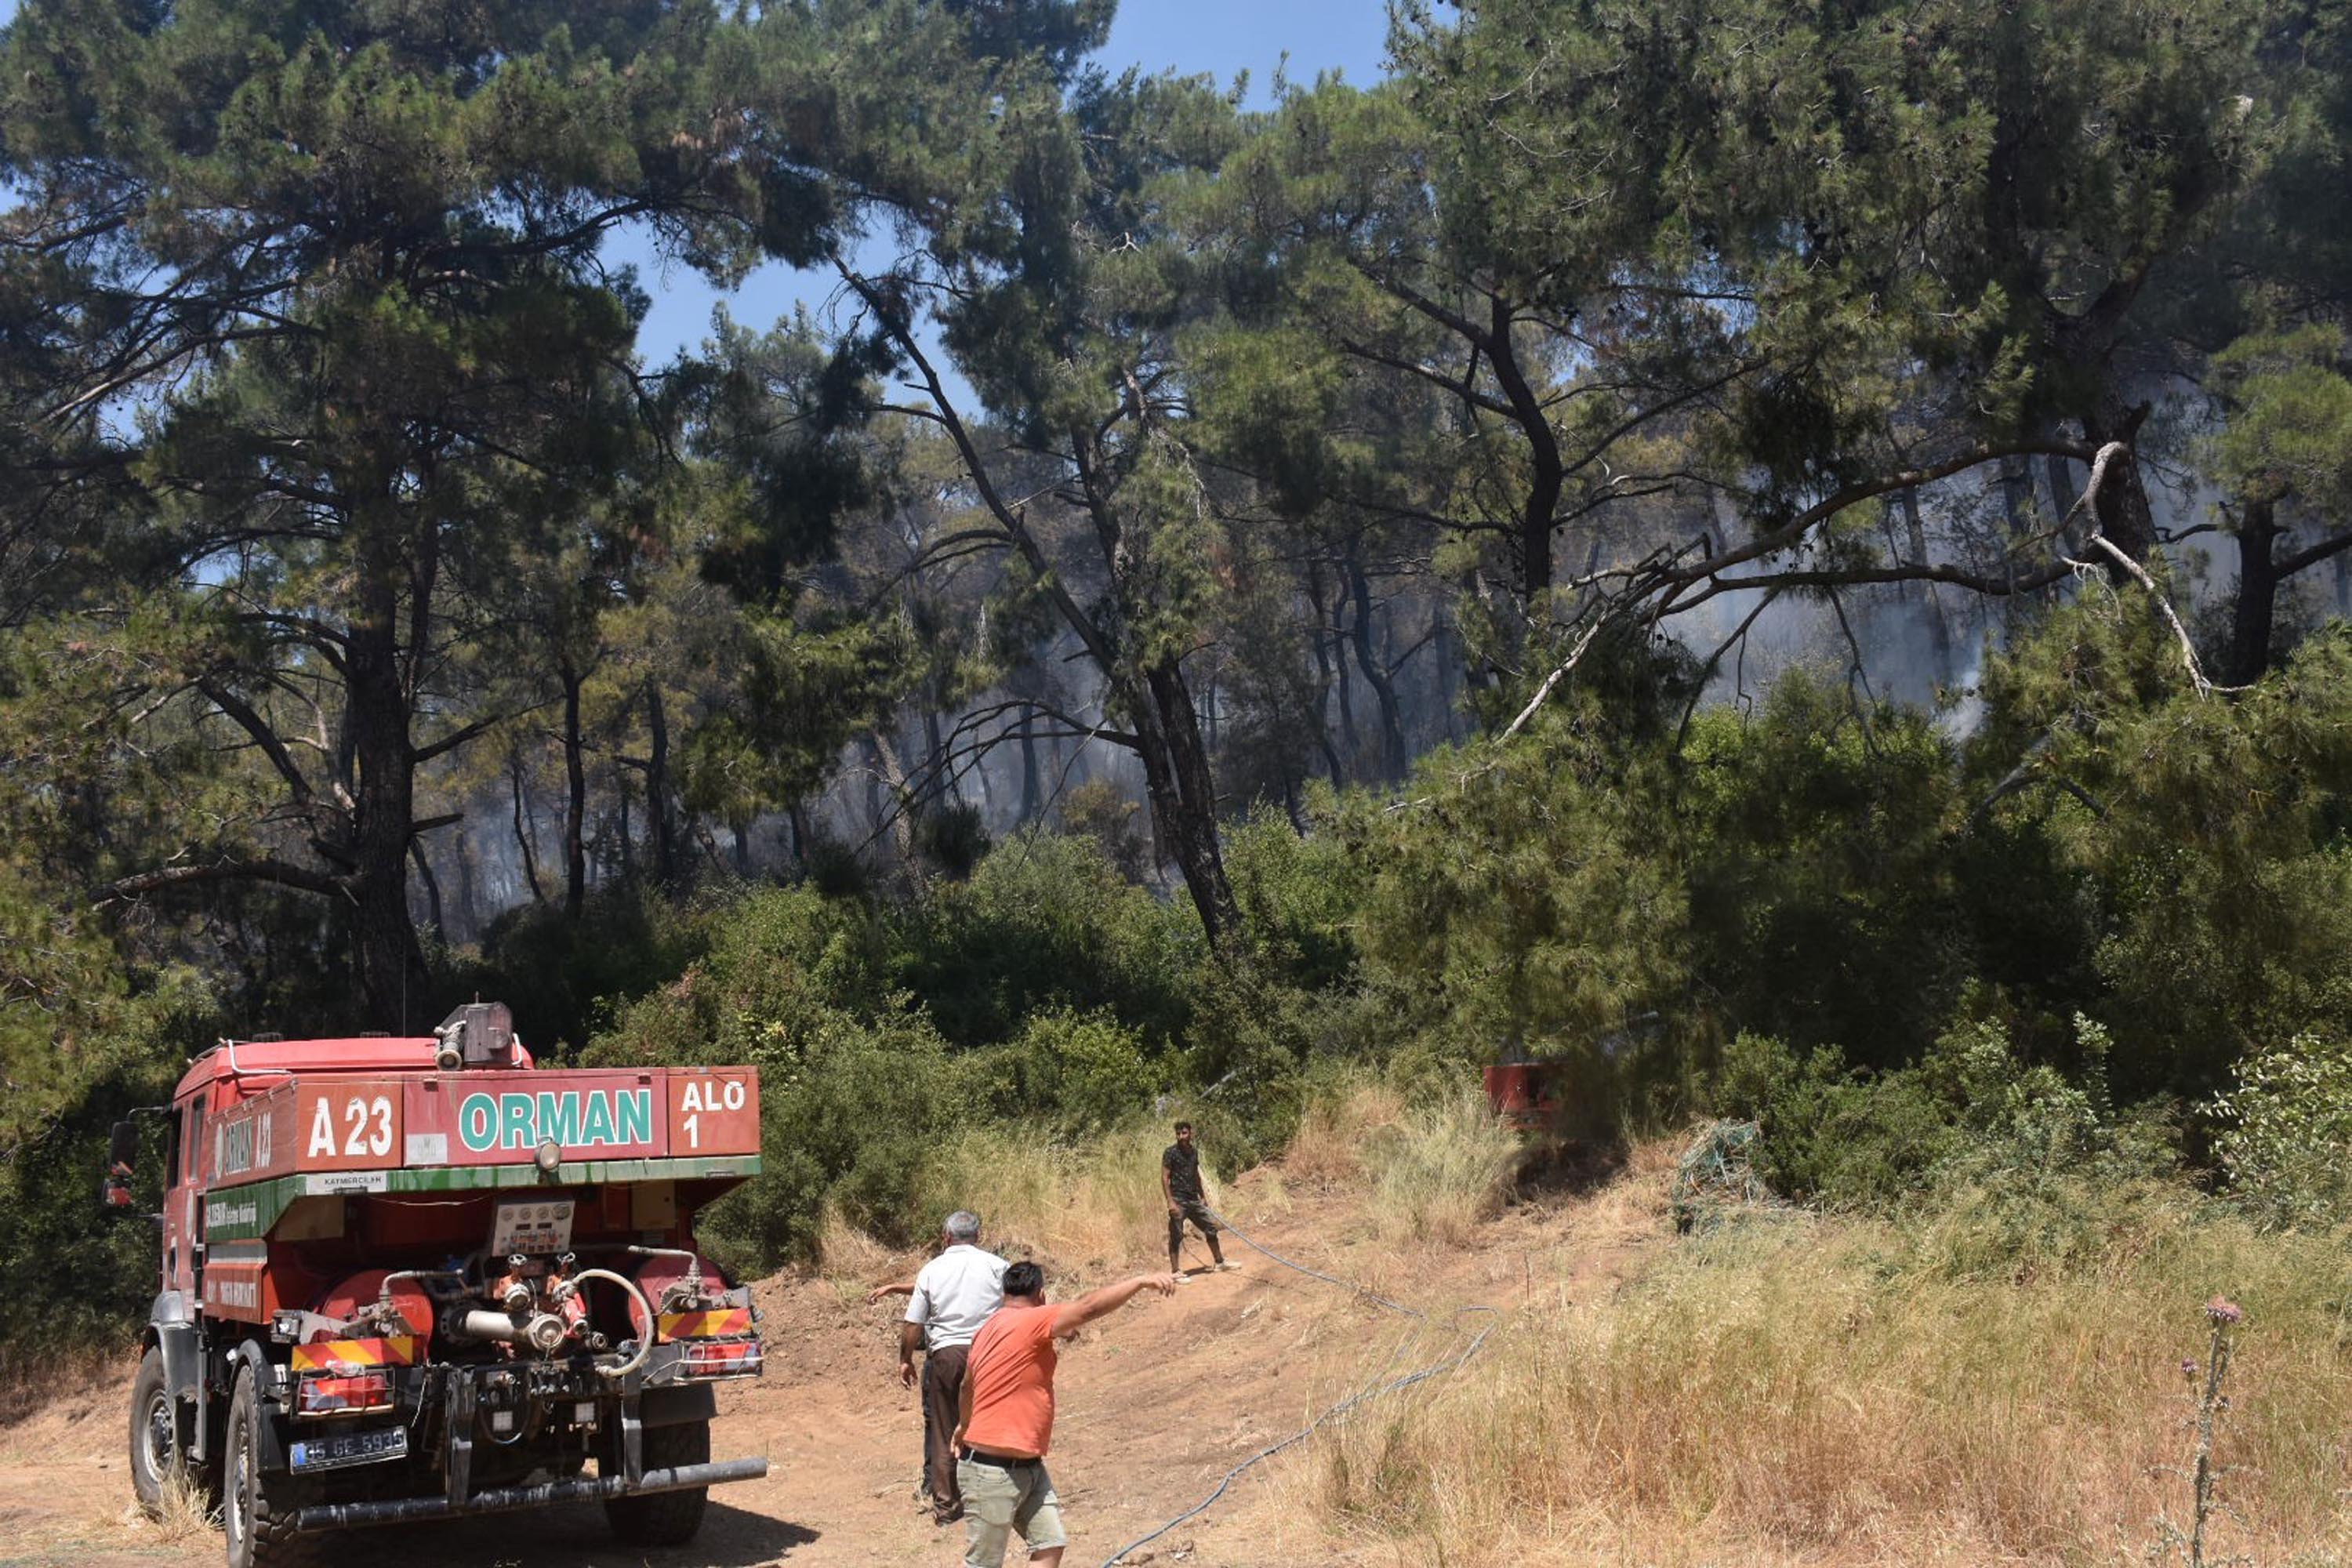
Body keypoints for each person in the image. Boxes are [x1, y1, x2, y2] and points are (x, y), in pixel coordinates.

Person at [951, 1261, 1178, 1568]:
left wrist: (964, 1425)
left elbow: (967, 1386)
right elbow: (1087, 1308)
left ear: (1004, 1293)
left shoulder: (986, 1329)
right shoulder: (1035, 1319)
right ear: (1041, 1295)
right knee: (983, 1564)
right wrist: (1140, 1282)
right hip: (991, 1472)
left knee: (1050, 1545)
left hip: (1028, 1467)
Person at [865, 1210, 1007, 1525]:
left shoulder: (933, 1269)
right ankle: (996, 1500)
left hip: (946, 1355)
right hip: (991, 1353)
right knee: (992, 1423)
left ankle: (947, 1508)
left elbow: (913, 1322)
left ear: (946, 1237)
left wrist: (905, 1360)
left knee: (944, 1431)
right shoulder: (998, 1267)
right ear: (978, 1237)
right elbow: (1021, 1306)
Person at [1160, 1120, 1232, 1276]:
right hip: (1178, 1200)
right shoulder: (1170, 1152)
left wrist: (1203, 1196)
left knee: (1210, 1228)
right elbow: (1165, 1177)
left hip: (1194, 1199)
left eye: (1184, 1133)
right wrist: (1171, 1202)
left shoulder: (1194, 1152)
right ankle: (1175, 1272)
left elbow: (1196, 1175)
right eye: (1178, 1134)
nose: (1181, 1136)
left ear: (1191, 1133)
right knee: (1176, 1235)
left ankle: (1220, 1262)